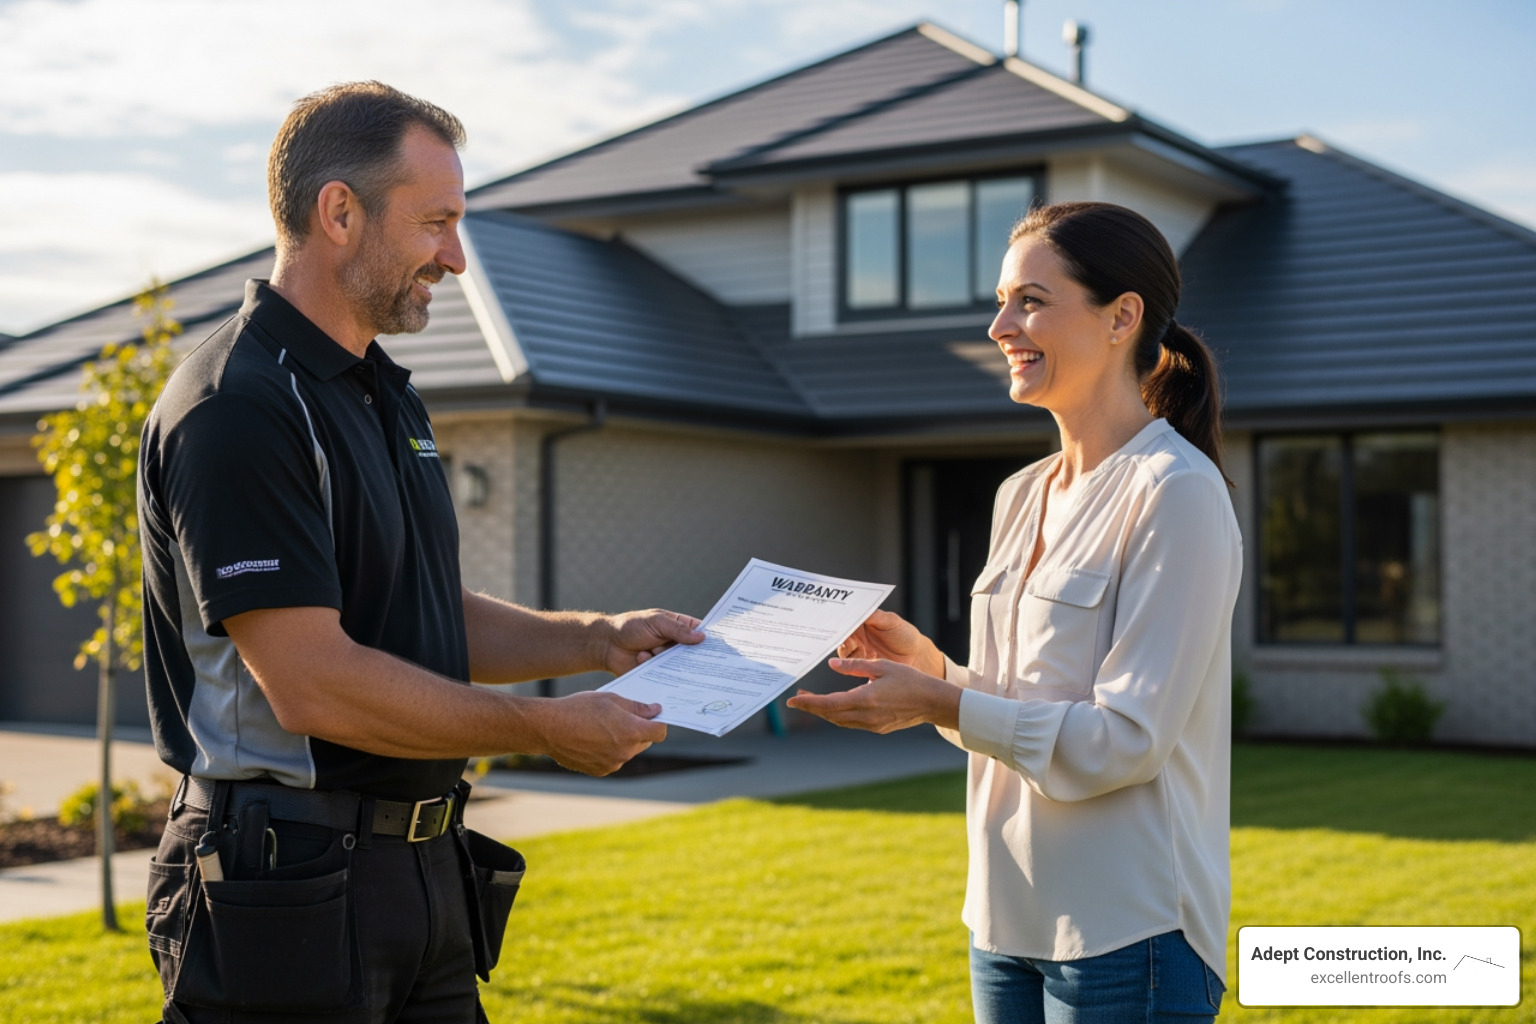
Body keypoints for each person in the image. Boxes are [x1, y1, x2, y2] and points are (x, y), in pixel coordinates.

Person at [138, 81, 703, 1024]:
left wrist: (599, 640)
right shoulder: (238, 407)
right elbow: (312, 683)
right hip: (283, 882)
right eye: (437, 223)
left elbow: (421, 612)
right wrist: (548, 729)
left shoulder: (383, 394)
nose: (457, 258)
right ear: (340, 211)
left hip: (424, 870)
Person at [789, 201, 1241, 1022]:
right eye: (1002, 299)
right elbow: (1013, 704)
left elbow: (1125, 743)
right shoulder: (1019, 495)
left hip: (1128, 934)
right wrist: (929, 670)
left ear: (1121, 317)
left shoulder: (1176, 494)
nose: (1000, 324)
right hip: (1000, 924)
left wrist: (941, 701)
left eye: (1030, 300)